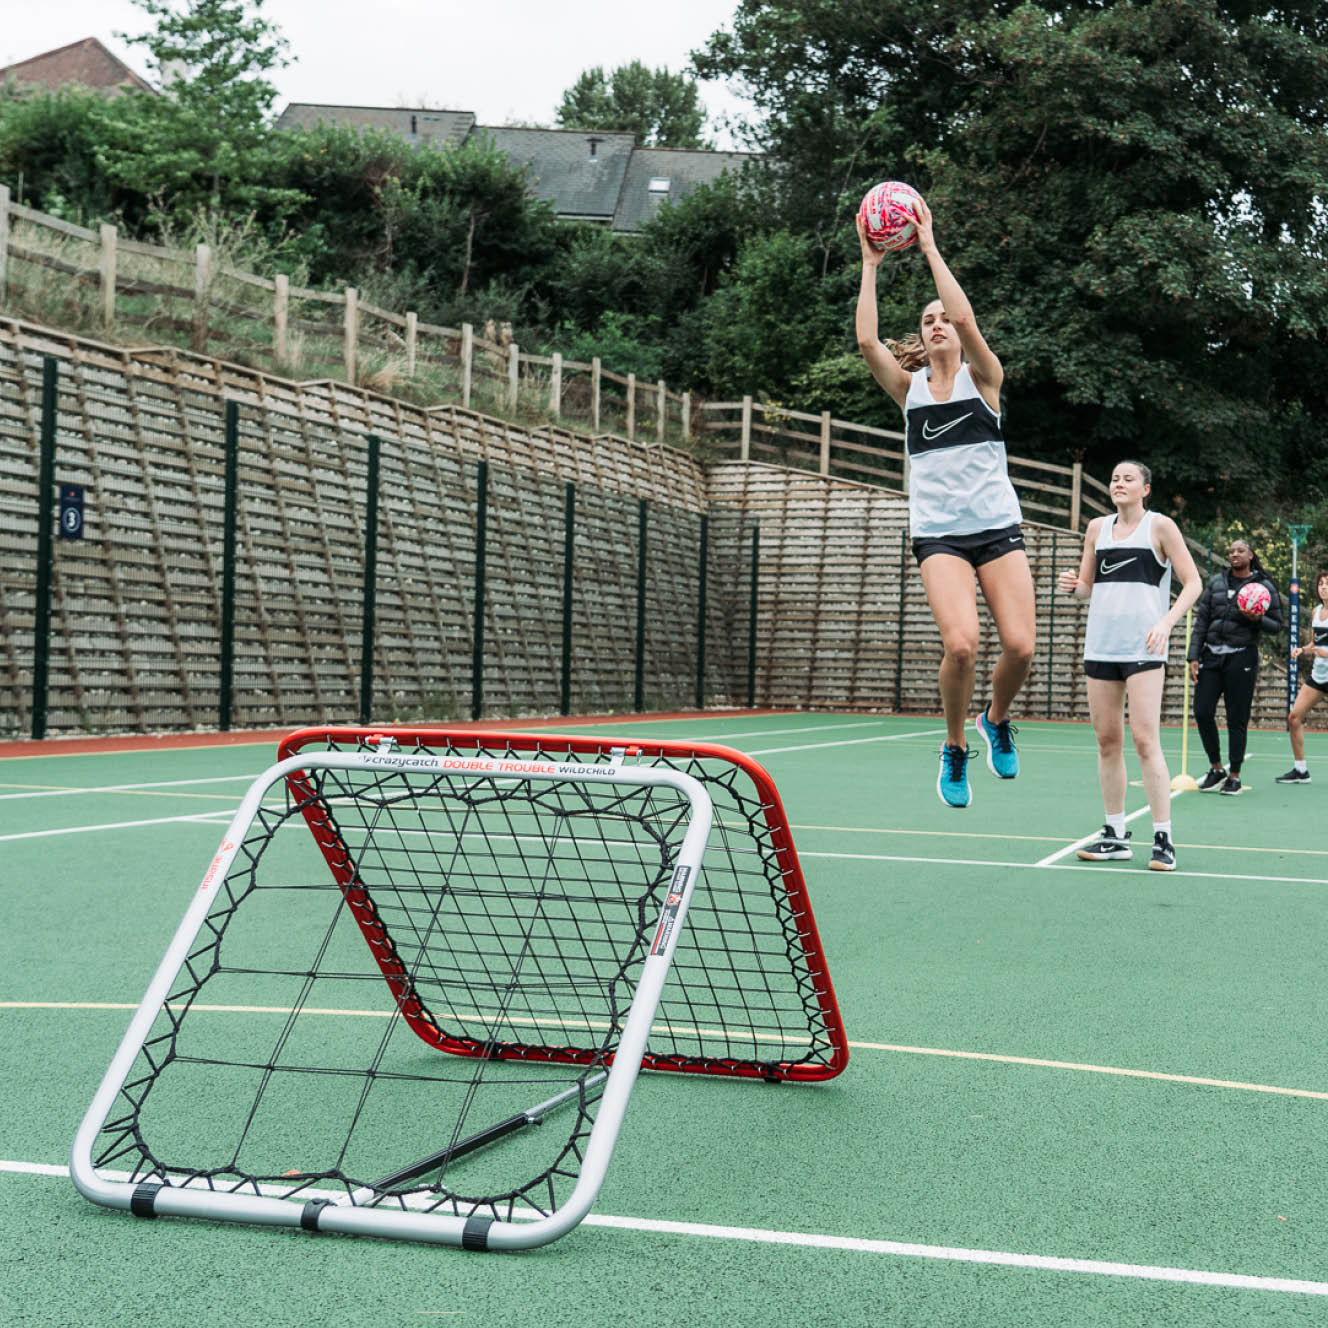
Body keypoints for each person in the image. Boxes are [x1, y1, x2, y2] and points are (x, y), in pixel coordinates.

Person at [855, 196, 1035, 808]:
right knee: (961, 644)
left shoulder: (983, 380)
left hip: (996, 528)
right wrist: (871, 263)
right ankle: (955, 747)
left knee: (1021, 647)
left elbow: (966, 318)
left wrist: (929, 247)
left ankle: (996, 718)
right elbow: (867, 340)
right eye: (927, 319)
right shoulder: (909, 393)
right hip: (939, 536)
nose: (937, 323)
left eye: (943, 318)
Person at [1057, 461, 1202, 871]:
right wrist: (1075, 586)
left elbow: (1193, 582)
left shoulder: (1160, 527)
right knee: (1107, 741)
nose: (1119, 483)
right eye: (1115, 478)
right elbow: (1088, 588)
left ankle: (1163, 838)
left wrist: (1165, 623)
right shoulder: (1096, 529)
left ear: (1146, 489)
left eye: (1128, 479)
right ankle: (1115, 834)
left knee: (1144, 739)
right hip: (1101, 646)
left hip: (1145, 647)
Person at [1187, 539, 1284, 795]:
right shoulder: (1216, 584)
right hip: (1212, 657)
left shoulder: (1262, 586)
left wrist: (1258, 619)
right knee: (1202, 711)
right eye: (1230, 551)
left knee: (1236, 718)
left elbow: (1277, 625)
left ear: (1251, 555)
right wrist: (1193, 656)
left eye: (1240, 550)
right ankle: (1216, 768)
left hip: (1241, 657)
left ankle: (1234, 775)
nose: (1234, 554)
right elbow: (1202, 622)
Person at [1276, 569, 1328, 784]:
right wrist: (1302, 650)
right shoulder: (1317, 611)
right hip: (1319, 675)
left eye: (1327, 583)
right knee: (1294, 717)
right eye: (1321, 584)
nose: (1324, 587)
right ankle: (1300, 770)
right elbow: (1316, 644)